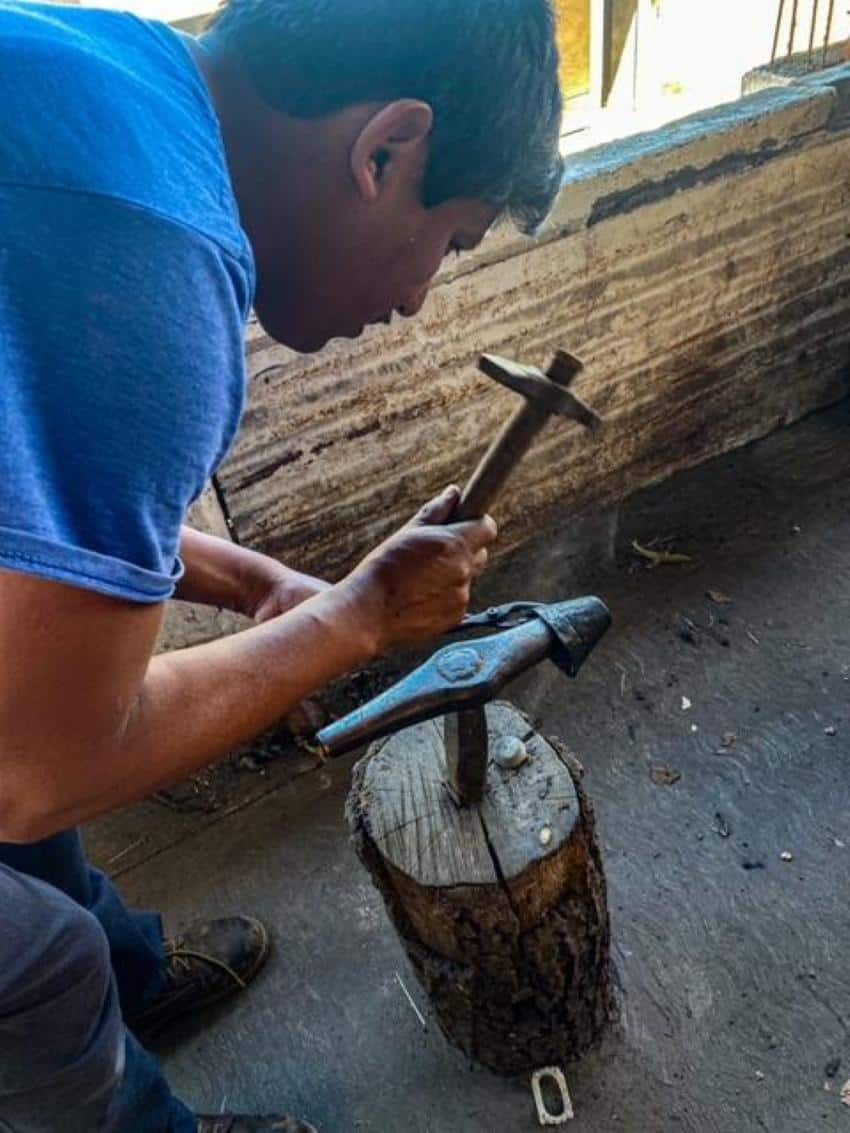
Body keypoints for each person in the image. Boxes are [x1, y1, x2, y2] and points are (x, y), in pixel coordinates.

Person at [0, 0, 563, 1128]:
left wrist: (254, 583)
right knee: (38, 964)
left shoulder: (110, 64)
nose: (415, 300)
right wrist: (351, 619)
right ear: (386, 148)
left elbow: (34, 514)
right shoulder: (153, 264)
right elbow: (38, 766)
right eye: (449, 243)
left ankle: (136, 983)